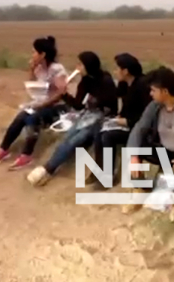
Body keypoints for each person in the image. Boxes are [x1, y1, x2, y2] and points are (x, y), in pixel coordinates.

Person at [26, 51, 118, 186]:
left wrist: (95, 102)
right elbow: (78, 105)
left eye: (81, 64)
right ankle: (49, 167)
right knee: (68, 137)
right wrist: (64, 94)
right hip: (87, 115)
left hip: (103, 118)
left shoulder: (106, 80)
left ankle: (48, 169)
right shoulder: (86, 81)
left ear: (89, 65)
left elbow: (111, 105)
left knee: (76, 140)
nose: (78, 67)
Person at [125, 66, 174, 220]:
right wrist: (134, 155)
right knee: (134, 148)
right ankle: (139, 189)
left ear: (165, 92)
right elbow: (140, 127)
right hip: (162, 150)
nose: (150, 94)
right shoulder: (154, 107)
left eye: (153, 90)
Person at [0, 36, 68, 170]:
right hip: (39, 103)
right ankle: (3, 149)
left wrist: (42, 105)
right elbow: (32, 85)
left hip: (57, 106)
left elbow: (61, 93)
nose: (32, 54)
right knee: (21, 117)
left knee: (33, 118)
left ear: (42, 54)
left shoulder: (57, 69)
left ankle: (26, 155)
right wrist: (32, 69)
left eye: (34, 52)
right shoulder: (39, 68)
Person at [89, 53, 152, 188]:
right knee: (98, 127)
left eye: (117, 69)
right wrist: (118, 118)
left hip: (139, 128)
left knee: (108, 136)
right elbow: (124, 106)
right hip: (126, 122)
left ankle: (107, 177)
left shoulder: (142, 86)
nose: (115, 72)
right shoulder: (125, 85)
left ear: (126, 71)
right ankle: (99, 169)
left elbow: (147, 116)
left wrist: (126, 121)